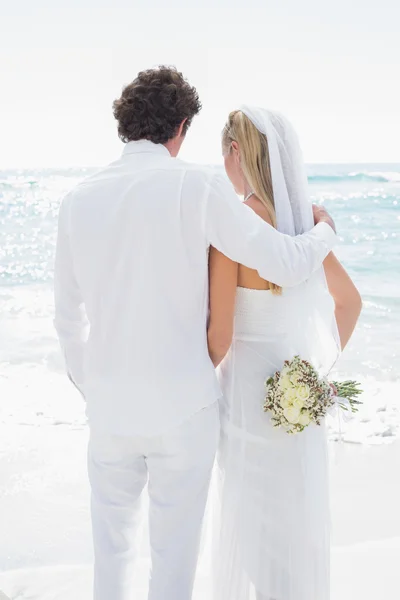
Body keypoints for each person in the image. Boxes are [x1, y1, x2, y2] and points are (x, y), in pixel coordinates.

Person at [53, 68, 337, 600]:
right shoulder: (197, 186)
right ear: (181, 126)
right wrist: (323, 231)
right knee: (173, 563)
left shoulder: (77, 199)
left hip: (110, 411)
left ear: (124, 125)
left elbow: (68, 319)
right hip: (184, 410)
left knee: (110, 559)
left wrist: (95, 386)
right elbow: (285, 263)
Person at [208, 107, 362, 600]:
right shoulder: (303, 228)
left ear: (236, 153)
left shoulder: (234, 227)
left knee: (253, 537)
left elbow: (221, 335)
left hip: (248, 409)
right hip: (297, 409)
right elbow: (349, 303)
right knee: (293, 537)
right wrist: (313, 376)